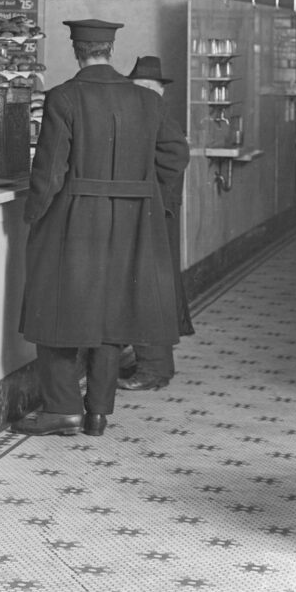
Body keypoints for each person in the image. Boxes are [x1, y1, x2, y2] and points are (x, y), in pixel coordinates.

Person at [14, 20, 188, 437]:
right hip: (133, 221)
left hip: (74, 217)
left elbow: (51, 168)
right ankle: (98, 412)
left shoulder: (64, 97)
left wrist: (34, 214)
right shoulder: (147, 100)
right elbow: (175, 154)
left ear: (77, 50)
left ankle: (62, 409)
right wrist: (151, 198)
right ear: (111, 49)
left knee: (57, 309)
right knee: (114, 312)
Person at [116, 55, 193, 392]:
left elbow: (175, 158)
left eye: (149, 87)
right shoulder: (150, 113)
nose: (143, 92)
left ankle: (154, 368)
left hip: (155, 214)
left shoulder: (154, 113)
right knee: (150, 288)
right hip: (155, 212)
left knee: (149, 289)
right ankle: (149, 361)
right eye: (139, 87)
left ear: (159, 90)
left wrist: (149, 188)